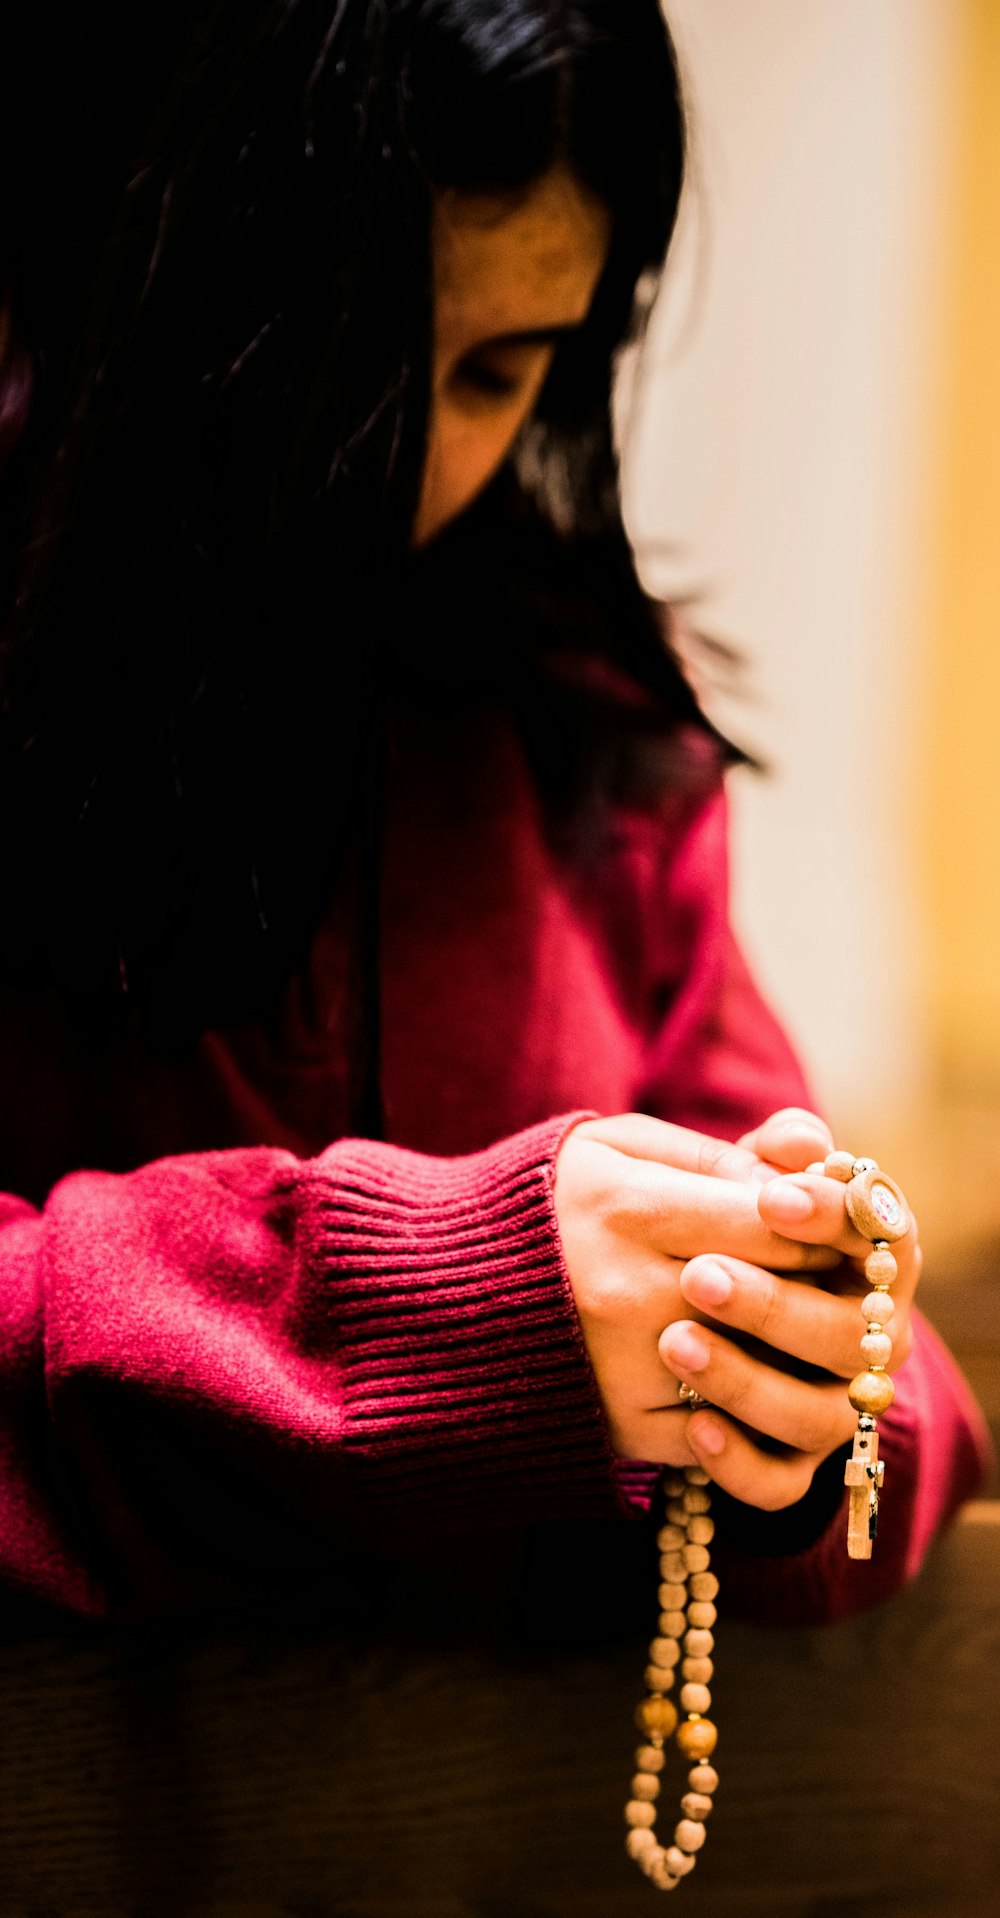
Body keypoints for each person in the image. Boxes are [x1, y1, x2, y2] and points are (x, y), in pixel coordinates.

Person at [0, 0, 989, 1637]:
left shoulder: (582, 730)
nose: (405, 467)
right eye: (338, 362)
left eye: (498, 371)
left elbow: (903, 1408)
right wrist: (448, 1316)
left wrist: (786, 1391)